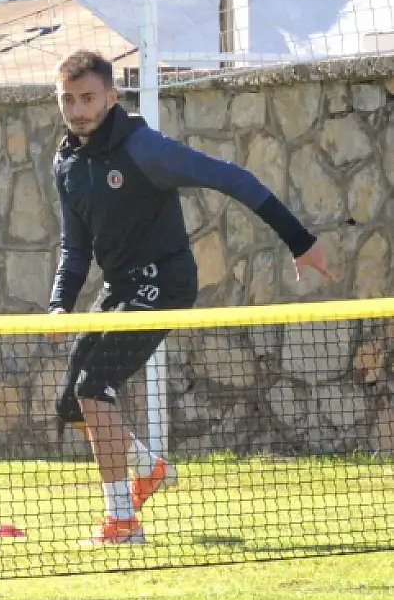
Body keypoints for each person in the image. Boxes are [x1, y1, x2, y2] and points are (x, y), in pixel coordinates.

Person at [48, 51, 332, 545]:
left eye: (88, 98)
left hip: (167, 282)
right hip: (120, 288)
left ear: (112, 98)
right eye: (67, 99)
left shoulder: (145, 149)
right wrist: (60, 303)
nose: (77, 109)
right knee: (70, 404)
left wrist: (300, 241)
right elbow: (76, 247)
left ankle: (123, 522)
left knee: (94, 390)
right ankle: (148, 470)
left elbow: (234, 178)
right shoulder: (67, 161)